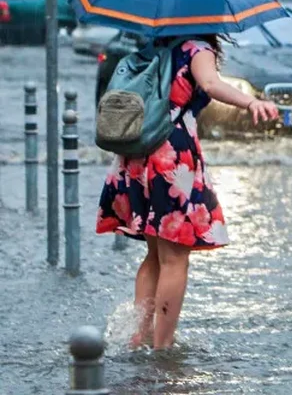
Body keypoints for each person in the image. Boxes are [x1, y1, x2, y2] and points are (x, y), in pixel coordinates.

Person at [95, 36, 279, 349]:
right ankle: (163, 348)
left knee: (154, 255)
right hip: (171, 155)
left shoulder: (154, 45)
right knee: (175, 259)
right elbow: (209, 83)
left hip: (140, 151)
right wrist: (251, 102)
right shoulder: (196, 47)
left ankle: (139, 338)